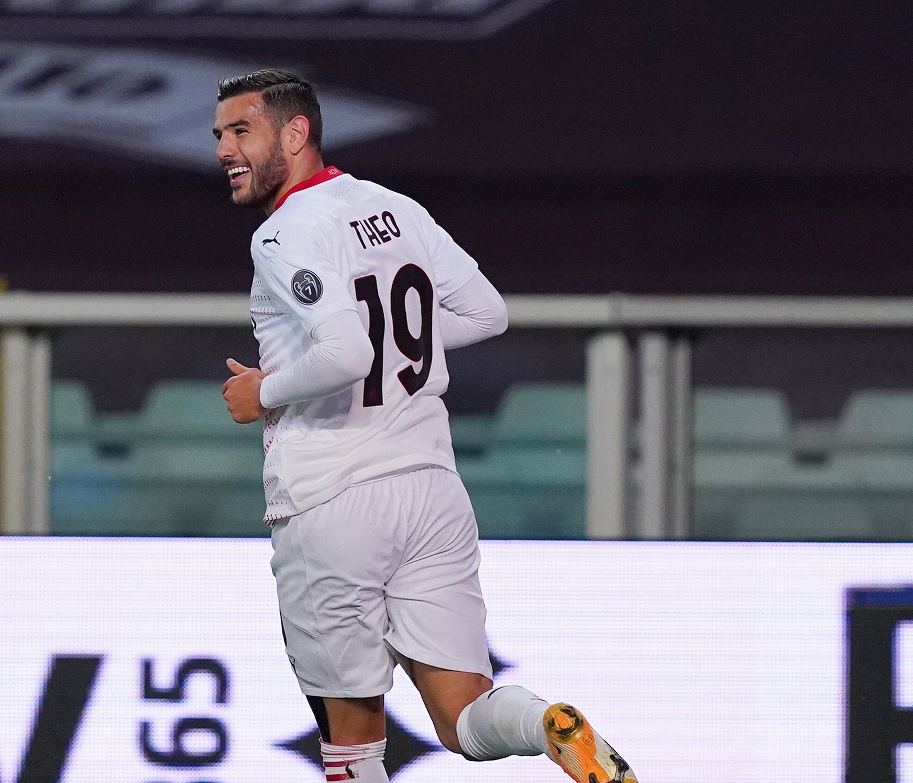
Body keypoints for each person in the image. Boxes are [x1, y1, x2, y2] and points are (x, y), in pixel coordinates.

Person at [215, 68, 637, 783]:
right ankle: (545, 722)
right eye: (220, 134)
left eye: (241, 130)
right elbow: (485, 312)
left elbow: (346, 351)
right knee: (464, 716)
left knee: (351, 737)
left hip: (332, 499)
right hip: (431, 491)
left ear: (296, 132)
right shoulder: (393, 208)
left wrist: (266, 391)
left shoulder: (283, 235)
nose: (225, 149)